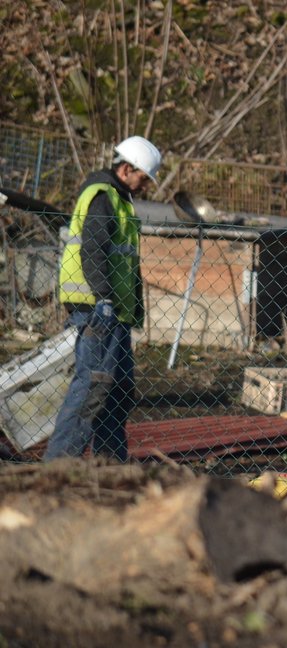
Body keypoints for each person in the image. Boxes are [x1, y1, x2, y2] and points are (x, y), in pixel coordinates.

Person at [44, 136, 162, 462]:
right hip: (99, 309)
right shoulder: (102, 197)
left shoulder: (119, 199)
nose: (145, 185)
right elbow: (93, 250)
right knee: (94, 385)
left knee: (118, 389)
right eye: (143, 177)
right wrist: (104, 299)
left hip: (114, 312)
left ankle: (109, 463)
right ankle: (58, 465)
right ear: (126, 169)